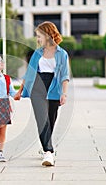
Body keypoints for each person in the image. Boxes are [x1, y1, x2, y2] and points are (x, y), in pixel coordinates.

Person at [14, 21, 70, 166]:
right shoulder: (37, 53)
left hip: (54, 89)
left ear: (47, 35)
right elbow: (29, 74)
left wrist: (64, 93)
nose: (37, 39)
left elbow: (64, 75)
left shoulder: (62, 54)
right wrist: (19, 92)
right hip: (37, 88)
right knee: (42, 120)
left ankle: (45, 147)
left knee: (50, 120)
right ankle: (49, 152)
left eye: (39, 36)